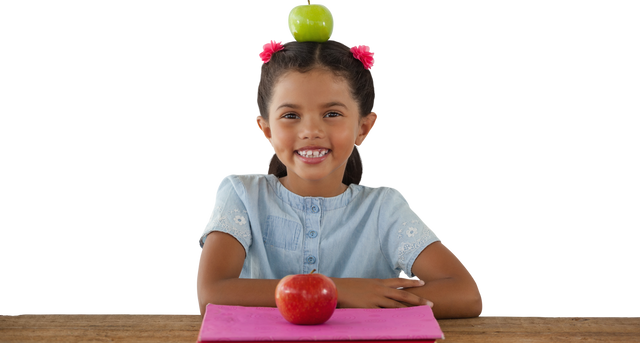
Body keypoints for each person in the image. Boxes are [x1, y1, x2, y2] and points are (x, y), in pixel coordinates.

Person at [195, 36, 484, 319]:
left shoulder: (385, 206)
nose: (311, 131)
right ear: (265, 129)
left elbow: (466, 294)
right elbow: (211, 294)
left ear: (364, 127)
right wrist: (338, 291)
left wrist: (369, 298)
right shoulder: (241, 194)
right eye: (291, 115)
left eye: (332, 113)